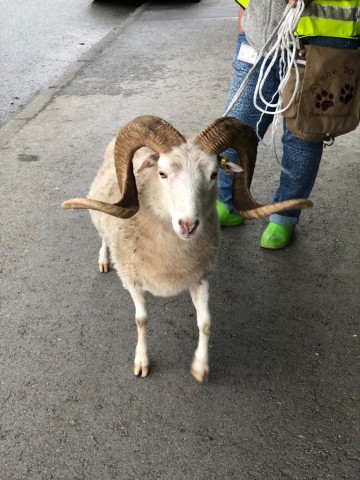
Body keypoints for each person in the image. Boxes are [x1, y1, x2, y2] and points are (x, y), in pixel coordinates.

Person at [217, 0, 360, 248]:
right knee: (234, 128)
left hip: (323, 35)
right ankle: (224, 199)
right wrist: (244, 8)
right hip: (260, 31)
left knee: (302, 134)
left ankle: (285, 216)